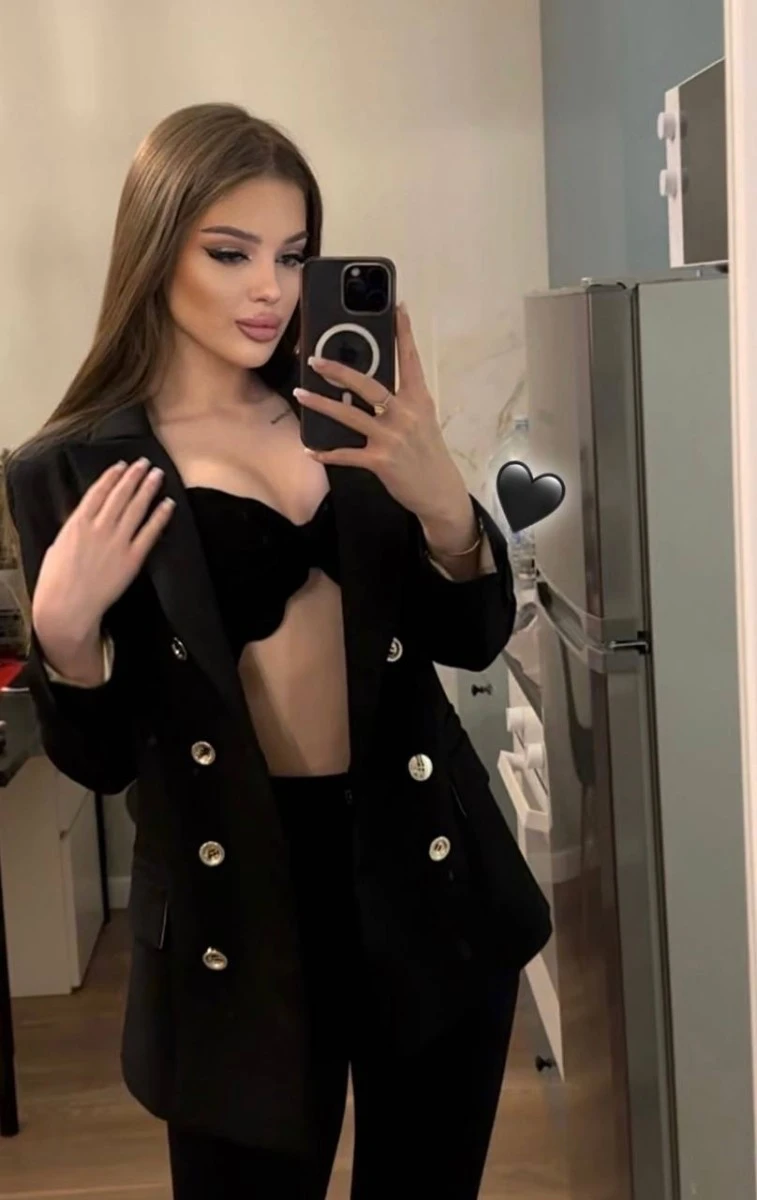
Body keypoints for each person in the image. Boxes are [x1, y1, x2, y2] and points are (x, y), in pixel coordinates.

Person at [5, 103, 551, 1199]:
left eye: (293, 255)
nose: (271, 288)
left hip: (426, 880)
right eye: (230, 253)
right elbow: (102, 763)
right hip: (233, 914)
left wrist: (446, 507)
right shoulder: (67, 466)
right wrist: (64, 638)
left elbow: (471, 636)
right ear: (155, 250)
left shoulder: (352, 419)